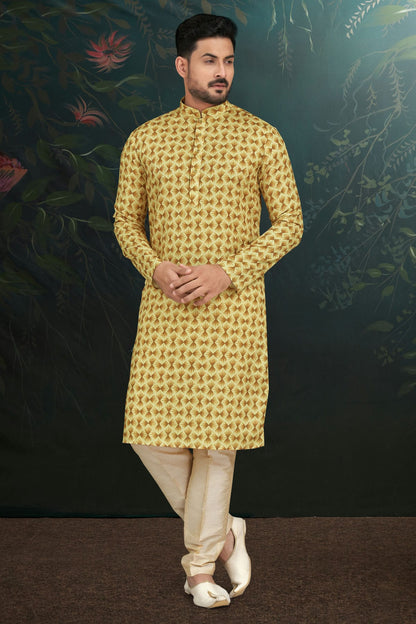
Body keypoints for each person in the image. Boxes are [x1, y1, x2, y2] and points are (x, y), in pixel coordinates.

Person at [113, 13, 303, 609]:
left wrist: (228, 272)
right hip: (165, 309)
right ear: (182, 65)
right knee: (150, 434)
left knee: (216, 444)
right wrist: (154, 267)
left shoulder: (261, 136)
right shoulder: (145, 139)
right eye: (209, 60)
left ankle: (199, 571)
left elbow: (290, 223)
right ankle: (224, 532)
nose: (222, 72)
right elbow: (125, 222)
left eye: (228, 61)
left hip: (232, 310)